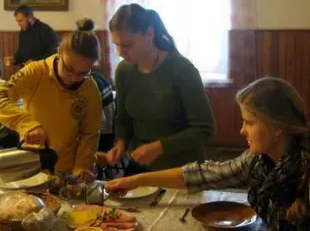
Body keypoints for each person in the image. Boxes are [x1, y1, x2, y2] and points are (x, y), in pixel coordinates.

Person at [105, 77, 310, 230]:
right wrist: (136, 180)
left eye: (249, 123)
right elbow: (205, 173)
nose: (241, 130)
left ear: (277, 128)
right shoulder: (257, 161)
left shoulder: (305, 169)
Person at [104, 3, 215, 175]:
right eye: (116, 44)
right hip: (141, 165)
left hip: (181, 168)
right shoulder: (124, 71)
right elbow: (123, 119)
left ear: (149, 34)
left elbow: (205, 129)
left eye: (128, 44)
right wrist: (121, 143)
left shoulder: (182, 69)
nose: (120, 52)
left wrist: (159, 147)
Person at [0, 18, 102, 182]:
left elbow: (90, 134)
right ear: (59, 53)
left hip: (68, 171)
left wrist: (83, 166)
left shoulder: (90, 89)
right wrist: (27, 124)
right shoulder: (36, 71)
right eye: (69, 68)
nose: (74, 78)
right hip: (32, 165)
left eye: (83, 73)